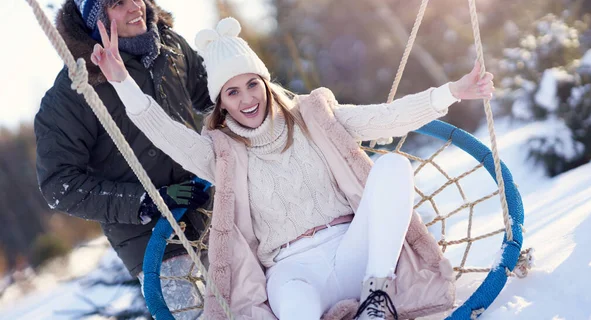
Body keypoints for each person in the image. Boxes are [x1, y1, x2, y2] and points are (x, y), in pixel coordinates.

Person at [91, 17, 495, 320]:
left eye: (252, 84)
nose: (247, 98)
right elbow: (165, 133)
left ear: (265, 82)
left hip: (354, 248)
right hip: (292, 270)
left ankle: (377, 297)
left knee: (390, 168)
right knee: (295, 309)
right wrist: (123, 82)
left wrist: (451, 93)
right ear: (221, 103)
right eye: (232, 92)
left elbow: (384, 119)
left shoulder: (313, 117)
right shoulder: (221, 154)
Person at [34, 0, 213, 319]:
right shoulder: (74, 93)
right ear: (96, 22)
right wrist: (146, 202)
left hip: (211, 211)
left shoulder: (170, 48)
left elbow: (214, 97)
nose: (135, 7)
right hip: (154, 244)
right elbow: (59, 184)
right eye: (118, 3)